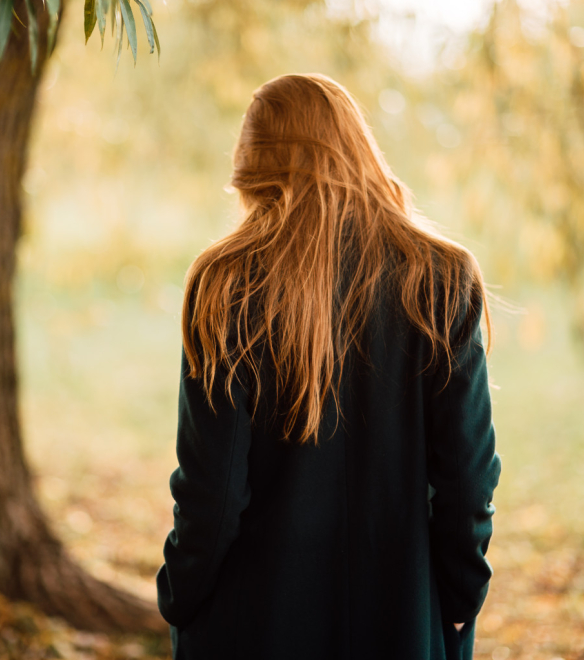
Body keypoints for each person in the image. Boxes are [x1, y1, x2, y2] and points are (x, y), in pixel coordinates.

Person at [156, 73, 501, 660]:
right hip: (402, 624)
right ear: (357, 147)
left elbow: (211, 498)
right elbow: (468, 482)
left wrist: (180, 597)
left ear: (251, 167)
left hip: (254, 628)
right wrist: (457, 600)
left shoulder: (224, 284)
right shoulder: (443, 278)